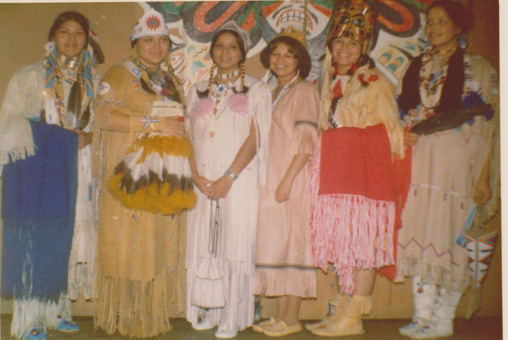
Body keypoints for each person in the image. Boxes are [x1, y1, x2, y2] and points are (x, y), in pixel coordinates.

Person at [395, 1, 500, 339]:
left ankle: (443, 319)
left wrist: (483, 177)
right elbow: (405, 113)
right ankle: (422, 315)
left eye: (442, 21)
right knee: (420, 233)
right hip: (421, 164)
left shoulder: (478, 67)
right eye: (429, 22)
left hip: (457, 167)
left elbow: (488, 128)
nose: (434, 27)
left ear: (459, 26)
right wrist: (407, 132)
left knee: (450, 237)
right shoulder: (417, 66)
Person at [0, 11, 103, 340]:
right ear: (52, 37)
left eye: (79, 33)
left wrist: (90, 137)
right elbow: (10, 122)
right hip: (40, 171)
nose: (72, 39)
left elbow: (101, 125)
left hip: (78, 166)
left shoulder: (94, 81)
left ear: (88, 39)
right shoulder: (31, 76)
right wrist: (54, 137)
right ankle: (29, 319)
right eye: (64, 32)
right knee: (38, 238)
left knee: (68, 235)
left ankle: (57, 310)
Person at [307, 1, 404, 337]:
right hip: (336, 173)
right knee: (342, 243)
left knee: (362, 243)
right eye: (339, 42)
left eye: (352, 43)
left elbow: (391, 133)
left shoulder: (375, 83)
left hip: (363, 177)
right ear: (330, 46)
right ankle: (343, 308)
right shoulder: (327, 85)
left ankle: (355, 315)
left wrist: (345, 139)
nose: (345, 48)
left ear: (363, 47)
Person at [91, 8, 189, 338]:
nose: (156, 47)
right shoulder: (119, 74)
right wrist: (151, 123)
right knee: (128, 246)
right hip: (128, 177)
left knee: (155, 246)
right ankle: (128, 317)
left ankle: (150, 316)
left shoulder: (169, 80)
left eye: (162, 41)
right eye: (148, 40)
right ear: (135, 43)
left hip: (163, 177)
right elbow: (104, 119)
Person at [185, 22, 272, 339]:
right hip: (203, 179)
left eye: (232, 47)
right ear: (211, 53)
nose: (225, 52)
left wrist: (228, 177)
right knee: (206, 242)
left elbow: (255, 137)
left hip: (237, 180)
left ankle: (231, 315)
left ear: (242, 54)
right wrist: (196, 175)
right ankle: (208, 307)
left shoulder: (256, 88)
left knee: (233, 243)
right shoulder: (195, 90)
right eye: (219, 46)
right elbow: (187, 137)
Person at [251, 27, 319, 337]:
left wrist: (287, 181)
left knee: (293, 244)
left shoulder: (304, 90)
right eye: (275, 54)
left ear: (299, 60)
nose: (280, 60)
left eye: (288, 55)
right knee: (276, 245)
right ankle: (280, 316)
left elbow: (307, 143)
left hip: (291, 179)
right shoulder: (271, 90)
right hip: (271, 178)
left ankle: (291, 319)